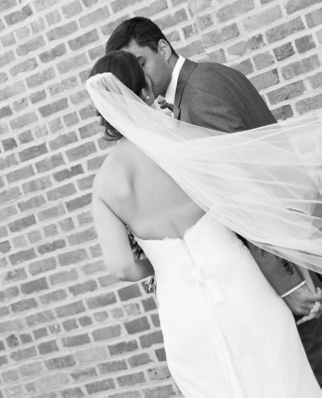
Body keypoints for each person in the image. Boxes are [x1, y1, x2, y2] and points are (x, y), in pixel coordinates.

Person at [88, 50, 321, 398]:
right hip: (243, 288)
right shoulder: (187, 144)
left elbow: (120, 267)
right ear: (146, 94)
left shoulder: (105, 185)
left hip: (184, 312)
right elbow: (247, 201)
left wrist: (165, 262)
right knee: (281, 379)